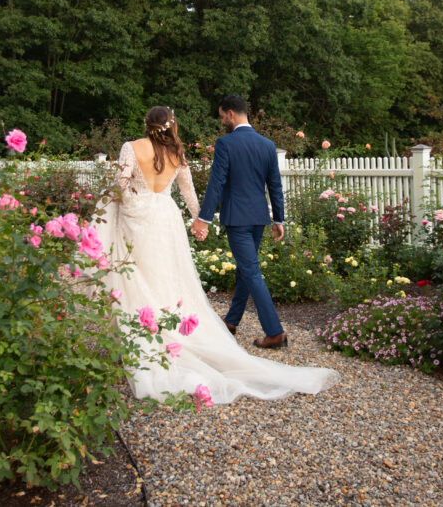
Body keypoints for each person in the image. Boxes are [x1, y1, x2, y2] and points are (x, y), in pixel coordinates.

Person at [95, 105, 338, 405]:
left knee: (137, 278)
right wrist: (201, 223)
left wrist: (202, 220)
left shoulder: (130, 148)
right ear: (171, 125)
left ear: (147, 125)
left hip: (135, 219)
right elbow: (190, 195)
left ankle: (141, 340)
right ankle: (187, 331)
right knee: (168, 280)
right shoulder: (180, 155)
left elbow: (120, 187)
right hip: (167, 220)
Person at [191, 95, 287, 348]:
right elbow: (275, 185)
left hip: (238, 221)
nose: (222, 121)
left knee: (251, 272)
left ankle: (275, 332)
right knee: (247, 270)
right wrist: (278, 218)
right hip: (259, 219)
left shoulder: (225, 143)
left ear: (231, 114)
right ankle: (231, 322)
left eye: (222, 116)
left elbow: (216, 183)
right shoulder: (267, 145)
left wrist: (204, 218)